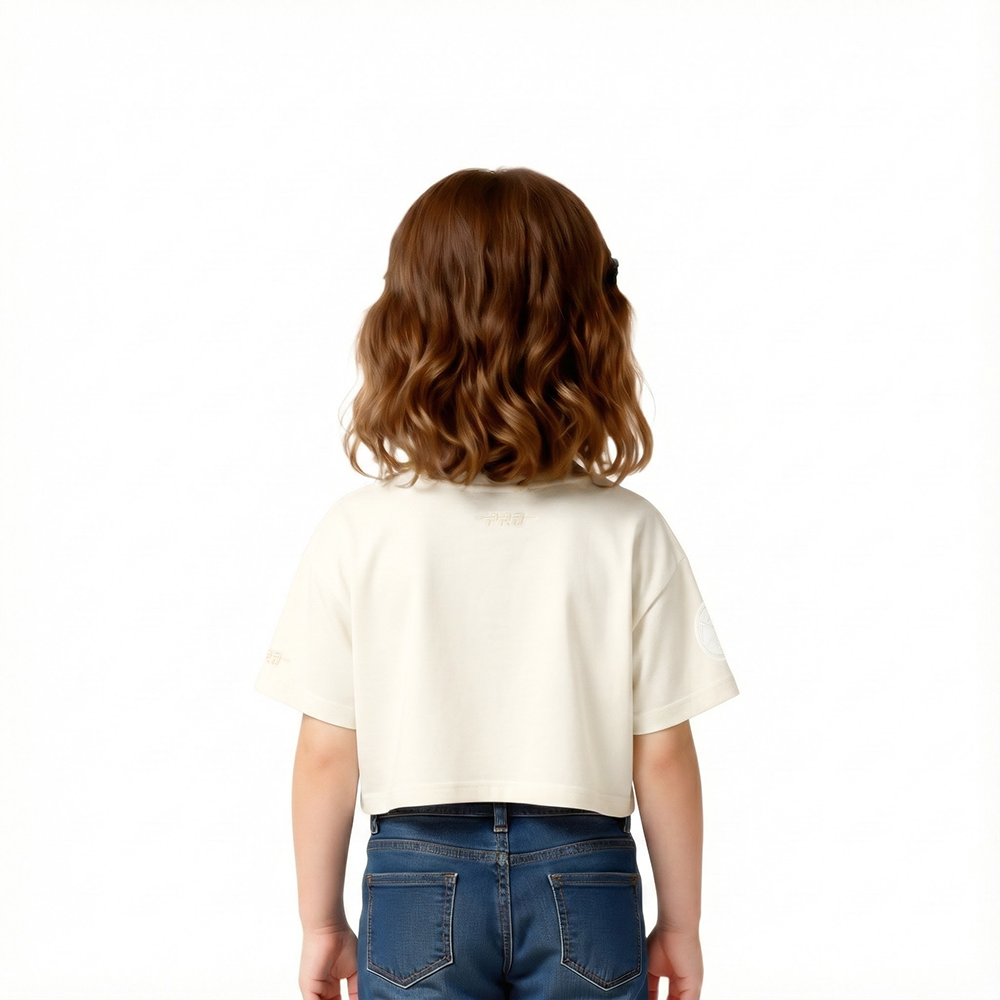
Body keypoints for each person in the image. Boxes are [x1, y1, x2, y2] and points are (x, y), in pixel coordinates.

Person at [254, 166, 740, 1000]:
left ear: (404, 327)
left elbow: (326, 754)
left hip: (413, 875)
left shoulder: (358, 532)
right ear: (591, 330)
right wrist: (683, 925)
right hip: (586, 872)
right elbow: (661, 755)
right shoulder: (628, 531)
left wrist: (321, 924)